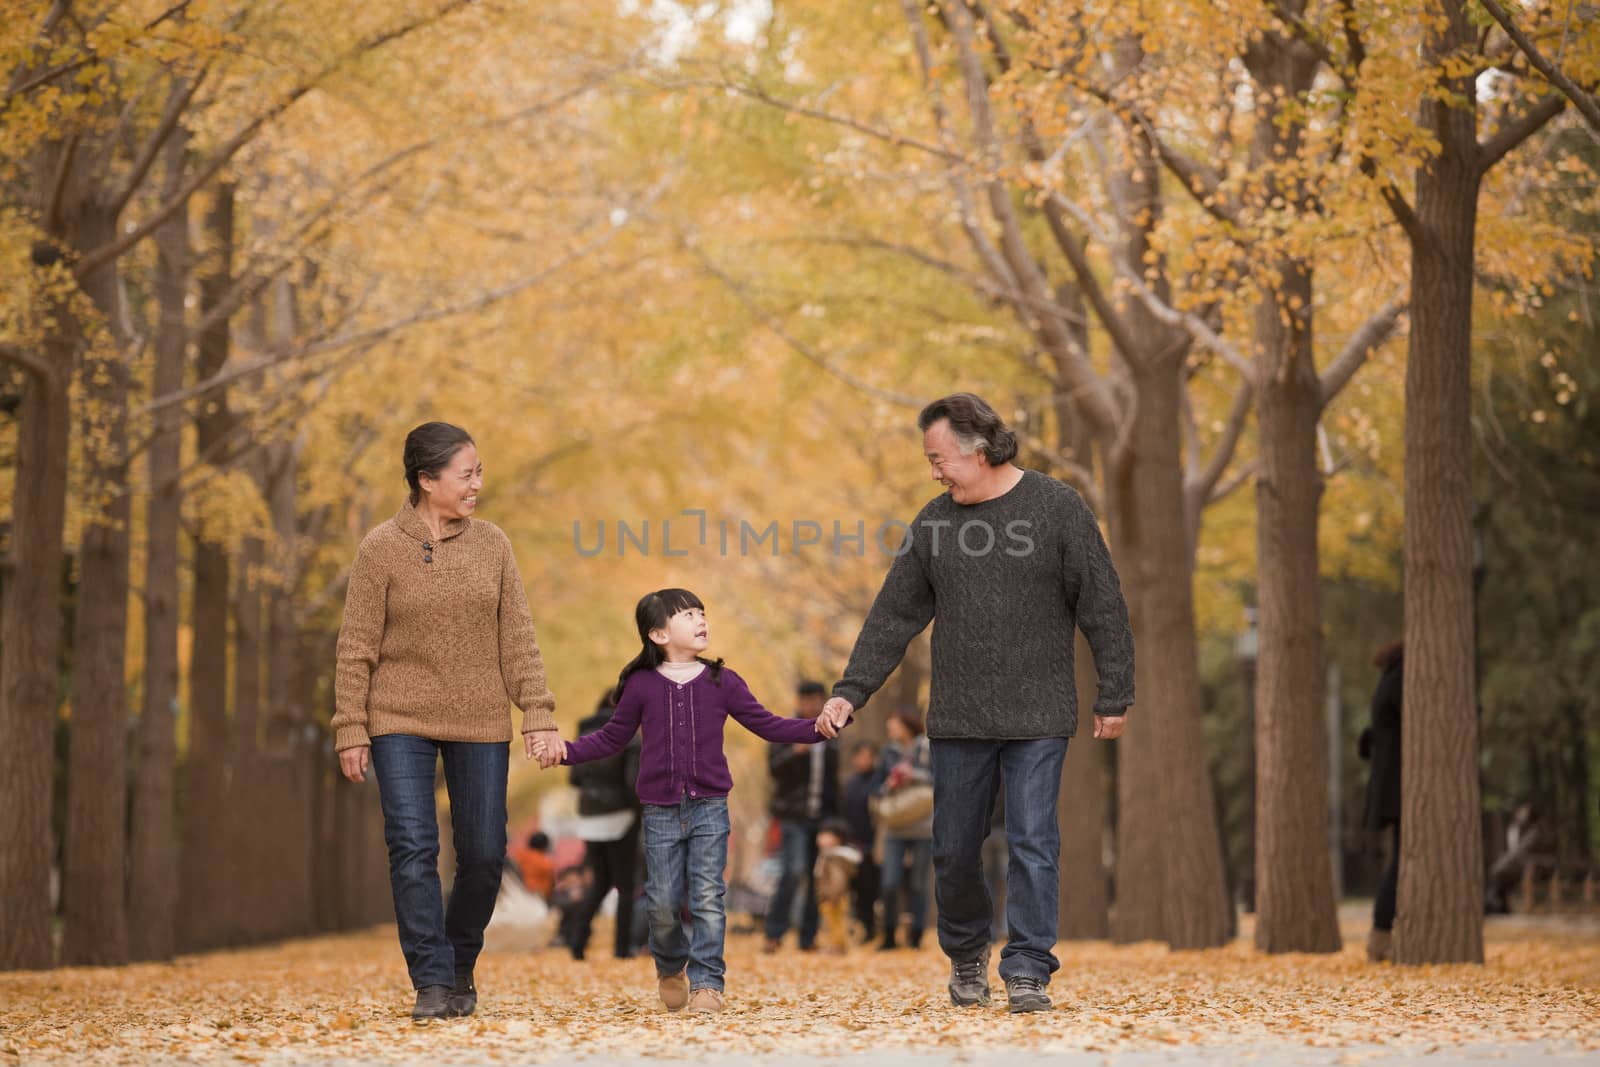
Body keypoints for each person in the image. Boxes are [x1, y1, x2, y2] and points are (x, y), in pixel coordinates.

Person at [816, 393, 1134, 1014]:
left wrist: (1114, 690)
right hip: (960, 717)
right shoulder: (935, 523)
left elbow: (1103, 603)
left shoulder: (1057, 508)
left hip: (1040, 712)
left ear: (979, 450)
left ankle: (1027, 968)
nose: (933, 471)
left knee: (1033, 840)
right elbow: (893, 617)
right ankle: (966, 955)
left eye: (939, 458)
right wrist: (850, 692)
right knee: (954, 847)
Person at [332, 421, 563, 1021]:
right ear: (426, 479)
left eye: (478, 472)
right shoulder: (380, 548)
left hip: (481, 717)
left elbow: (518, 638)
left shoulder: (494, 544)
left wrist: (537, 713)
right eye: (467, 474)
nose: (478, 484)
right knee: (412, 846)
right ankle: (432, 981)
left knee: (484, 853)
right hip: (397, 717)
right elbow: (356, 645)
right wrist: (350, 725)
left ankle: (460, 963)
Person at [534, 589, 841, 1014]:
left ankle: (708, 983)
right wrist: (565, 751)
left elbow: (768, 724)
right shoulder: (641, 685)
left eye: (702, 612)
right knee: (661, 901)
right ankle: (669, 965)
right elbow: (611, 738)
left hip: (710, 806)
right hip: (659, 810)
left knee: (708, 896)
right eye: (688, 615)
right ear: (658, 633)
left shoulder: (722, 681)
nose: (701, 620)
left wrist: (818, 729)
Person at [565, 689, 644, 960]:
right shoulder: (629, 734)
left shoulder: (583, 732)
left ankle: (577, 942)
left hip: (589, 818)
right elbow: (633, 782)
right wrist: (642, 810)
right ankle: (622, 948)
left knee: (599, 882)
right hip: (621, 816)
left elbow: (574, 779)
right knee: (625, 885)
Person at [763, 680, 840, 953]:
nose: (809, 705)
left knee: (813, 876)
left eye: (815, 699)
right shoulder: (785, 730)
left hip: (819, 819)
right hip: (792, 816)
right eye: (805, 699)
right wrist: (795, 752)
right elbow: (773, 769)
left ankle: (808, 938)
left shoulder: (831, 735)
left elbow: (834, 785)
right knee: (793, 871)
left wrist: (831, 825)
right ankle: (774, 933)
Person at [875, 710, 934, 951]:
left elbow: (939, 778)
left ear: (908, 725)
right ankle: (889, 934)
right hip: (895, 824)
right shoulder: (888, 752)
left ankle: (917, 934)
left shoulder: (928, 749)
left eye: (894, 724)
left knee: (919, 884)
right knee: (889, 882)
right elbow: (877, 786)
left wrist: (913, 775)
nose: (891, 729)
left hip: (923, 825)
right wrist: (889, 783)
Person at [1359, 639, 1403, 962]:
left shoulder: (1386, 680)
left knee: (1401, 859)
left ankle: (1381, 935)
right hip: (1396, 786)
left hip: (1389, 786)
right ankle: (1379, 935)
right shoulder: (1400, 680)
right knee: (1401, 861)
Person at [842, 741, 882, 943]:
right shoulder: (851, 784)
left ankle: (880, 927)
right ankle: (866, 927)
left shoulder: (879, 781)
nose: (862, 760)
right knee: (860, 889)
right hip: (855, 844)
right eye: (859, 756)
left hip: (877, 843)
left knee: (877, 887)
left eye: (867, 756)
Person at [813, 818, 863, 955]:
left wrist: (832, 896)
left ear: (838, 838)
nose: (821, 838)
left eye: (826, 835)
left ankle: (839, 947)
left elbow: (838, 880)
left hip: (835, 898)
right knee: (830, 924)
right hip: (827, 897)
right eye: (820, 834)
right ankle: (835, 945)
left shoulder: (835, 859)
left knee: (838, 923)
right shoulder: (826, 856)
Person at [515, 831, 556, 900]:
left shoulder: (519, 856)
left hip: (518, 893)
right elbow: (551, 884)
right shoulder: (546, 863)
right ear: (545, 846)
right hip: (537, 897)